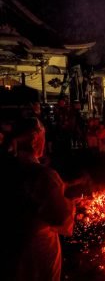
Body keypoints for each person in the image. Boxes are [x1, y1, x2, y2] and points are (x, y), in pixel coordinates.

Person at [1, 117, 75, 281]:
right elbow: (62, 222)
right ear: (36, 139)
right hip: (36, 253)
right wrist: (71, 205)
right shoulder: (43, 176)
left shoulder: (6, 168)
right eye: (43, 136)